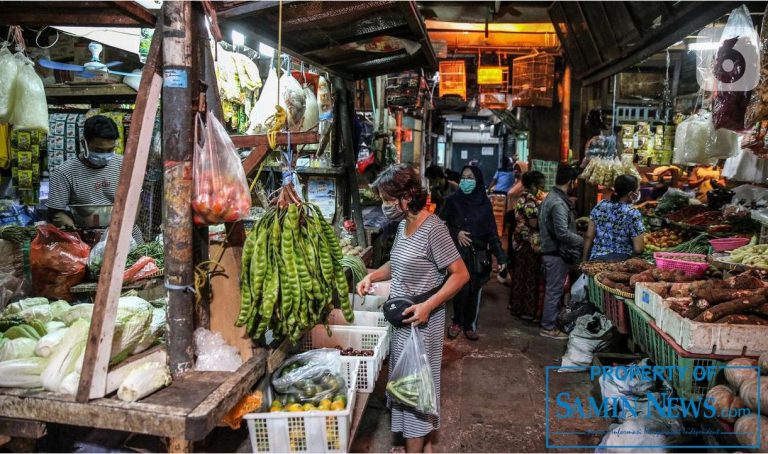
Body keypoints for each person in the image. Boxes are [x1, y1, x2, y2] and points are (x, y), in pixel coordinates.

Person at [357, 164, 469, 453]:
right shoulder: (405, 225)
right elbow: (397, 262)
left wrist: (428, 307)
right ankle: (424, 446)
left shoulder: (434, 228)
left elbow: (460, 274)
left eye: (387, 199)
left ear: (406, 197)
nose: (384, 206)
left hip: (422, 323)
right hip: (404, 322)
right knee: (406, 385)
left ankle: (415, 449)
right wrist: (372, 275)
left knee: (416, 387)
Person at [47, 115, 144, 245]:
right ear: (84, 143)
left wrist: (125, 229)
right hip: (86, 241)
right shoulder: (64, 173)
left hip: (127, 237)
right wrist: (74, 232)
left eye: (110, 150)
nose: (104, 155)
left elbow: (135, 199)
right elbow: (56, 212)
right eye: (99, 150)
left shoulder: (125, 165)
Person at [440, 165, 507, 341]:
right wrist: (457, 233)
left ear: (477, 181)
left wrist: (500, 256)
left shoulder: (484, 204)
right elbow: (439, 226)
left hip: (478, 255)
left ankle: (470, 325)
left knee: (474, 291)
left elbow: (491, 231)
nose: (466, 181)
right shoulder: (452, 201)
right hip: (458, 254)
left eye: (470, 178)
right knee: (459, 290)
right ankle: (456, 322)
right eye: (463, 177)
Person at [538, 164, 583, 340]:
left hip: (551, 252)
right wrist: (584, 241)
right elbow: (562, 233)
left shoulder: (553, 197)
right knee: (554, 291)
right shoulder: (557, 203)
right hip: (555, 253)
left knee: (554, 290)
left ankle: (550, 323)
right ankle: (548, 327)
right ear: (571, 182)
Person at [508, 171, 546, 321]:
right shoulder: (530, 200)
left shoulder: (522, 197)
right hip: (529, 242)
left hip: (520, 240)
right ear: (534, 185)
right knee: (529, 277)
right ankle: (526, 310)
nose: (541, 190)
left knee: (519, 276)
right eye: (540, 186)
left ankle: (516, 306)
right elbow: (533, 223)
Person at [583, 175, 645, 262]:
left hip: (596, 261)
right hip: (619, 266)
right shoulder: (633, 213)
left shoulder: (600, 206)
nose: (638, 193)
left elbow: (589, 236)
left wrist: (584, 262)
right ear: (631, 194)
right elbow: (638, 249)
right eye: (637, 190)